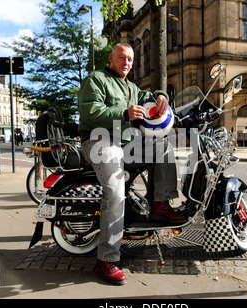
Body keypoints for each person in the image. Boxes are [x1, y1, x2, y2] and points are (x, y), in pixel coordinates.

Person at [78, 43, 185, 285]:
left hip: (125, 143)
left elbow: (147, 97)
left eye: (130, 60)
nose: (126, 62)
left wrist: (161, 95)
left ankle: (159, 205)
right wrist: (124, 113)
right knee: (115, 191)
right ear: (111, 58)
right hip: (99, 140)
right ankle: (106, 259)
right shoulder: (96, 79)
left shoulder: (131, 86)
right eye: (122, 58)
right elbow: (90, 112)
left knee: (163, 148)